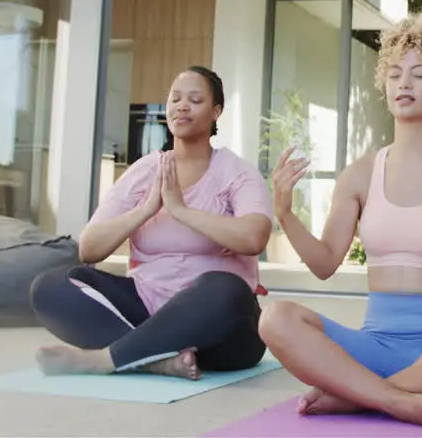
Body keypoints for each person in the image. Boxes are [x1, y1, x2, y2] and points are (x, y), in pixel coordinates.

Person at [258, 12, 422, 432]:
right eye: (395, 74)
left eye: (419, 74)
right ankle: (397, 401)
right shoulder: (359, 174)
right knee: (274, 318)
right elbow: (325, 264)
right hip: (373, 350)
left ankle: (359, 398)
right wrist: (285, 214)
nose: (404, 83)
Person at [29, 66, 272, 380]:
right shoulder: (144, 171)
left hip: (220, 331)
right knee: (49, 287)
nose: (182, 106)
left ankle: (105, 359)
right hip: (145, 305)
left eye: (195, 100)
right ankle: (151, 359)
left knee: (227, 288)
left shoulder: (236, 172)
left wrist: (180, 210)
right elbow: (89, 248)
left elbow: (254, 238)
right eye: (175, 99)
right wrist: (146, 209)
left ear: (216, 112)